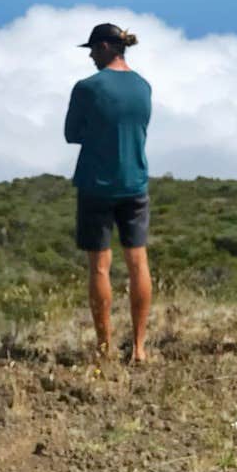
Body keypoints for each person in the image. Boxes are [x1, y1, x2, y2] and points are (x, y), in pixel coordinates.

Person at [64, 22, 153, 363]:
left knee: (100, 267)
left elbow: (72, 133)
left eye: (91, 49)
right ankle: (140, 347)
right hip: (135, 182)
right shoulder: (143, 87)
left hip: (96, 183)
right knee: (138, 263)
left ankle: (105, 347)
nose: (89, 55)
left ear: (104, 47)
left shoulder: (87, 88)